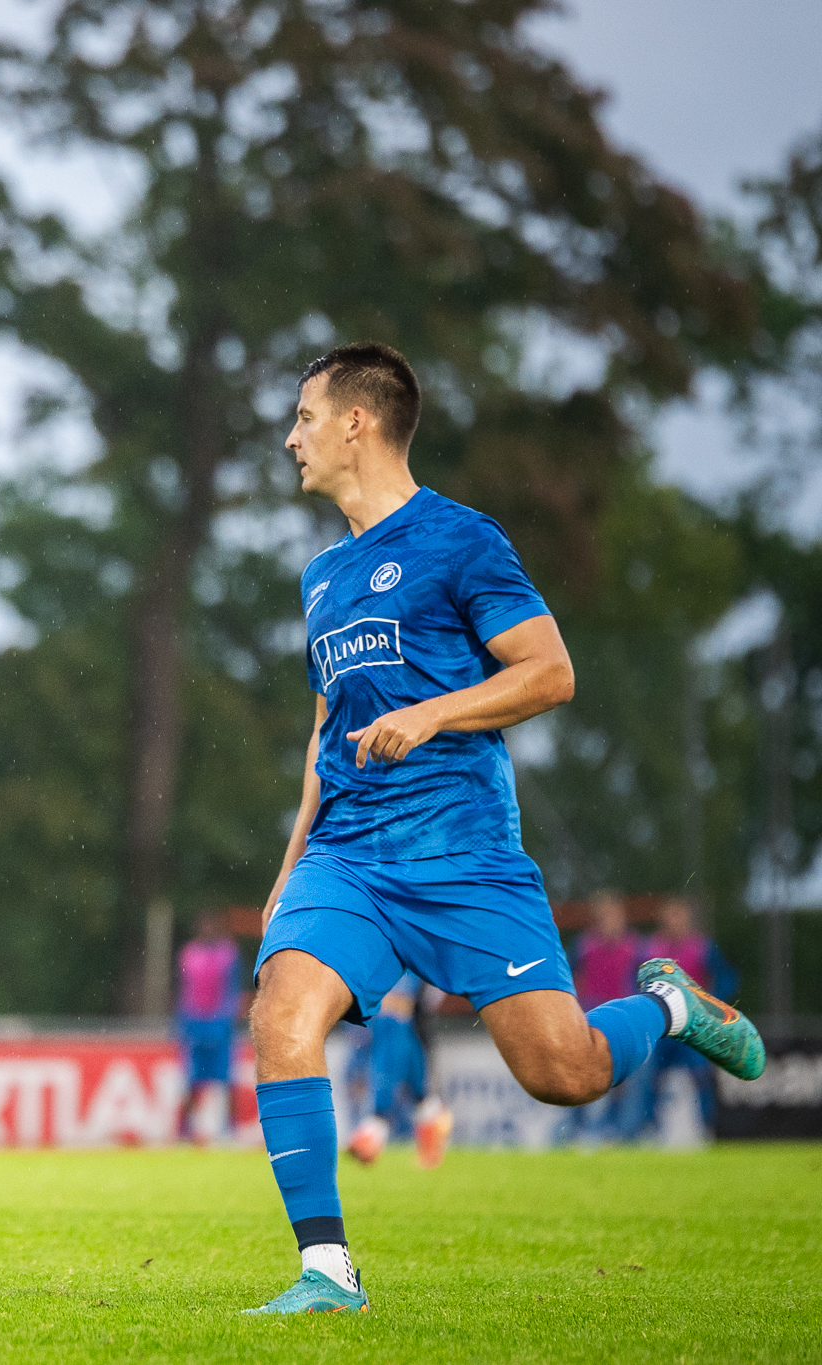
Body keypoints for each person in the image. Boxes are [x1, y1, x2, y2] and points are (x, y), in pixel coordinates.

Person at [244, 343, 765, 1315]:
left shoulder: (458, 540)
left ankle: (668, 1009)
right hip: (347, 860)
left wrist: (432, 713)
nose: (290, 437)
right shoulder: (319, 576)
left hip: (462, 858)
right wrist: (287, 871)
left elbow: (549, 671)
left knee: (560, 1073)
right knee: (279, 1015)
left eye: (304, 417)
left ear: (356, 421)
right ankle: (325, 1272)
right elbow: (325, 729)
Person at [639, 896, 739, 1136]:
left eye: (680, 916)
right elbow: (633, 981)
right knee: (650, 1078)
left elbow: (727, 978)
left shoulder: (702, 947)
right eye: (671, 916)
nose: (675, 922)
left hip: (693, 1027)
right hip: (663, 1028)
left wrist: (709, 1003)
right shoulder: (650, 949)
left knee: (701, 1076)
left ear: (688, 918)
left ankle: (708, 1127)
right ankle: (650, 1129)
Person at [341, 972, 453, 1168]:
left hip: (417, 959)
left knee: (393, 1011)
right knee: (391, 1017)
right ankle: (429, 1110)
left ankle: (378, 1122)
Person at [565, 890, 647, 1140]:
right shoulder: (583, 947)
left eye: (614, 916)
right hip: (591, 1019)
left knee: (636, 1072)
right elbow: (565, 980)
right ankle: (574, 1129)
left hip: (624, 1020)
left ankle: (627, 1132)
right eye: (605, 917)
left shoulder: (637, 949)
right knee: (576, 1071)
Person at [174, 912, 243, 1145]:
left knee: (228, 1081)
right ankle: (184, 1130)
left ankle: (231, 1129)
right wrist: (185, 1024)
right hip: (195, 1025)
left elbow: (231, 991)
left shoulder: (228, 954)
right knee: (191, 1081)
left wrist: (225, 1022)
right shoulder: (189, 954)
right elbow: (185, 992)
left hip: (221, 1027)